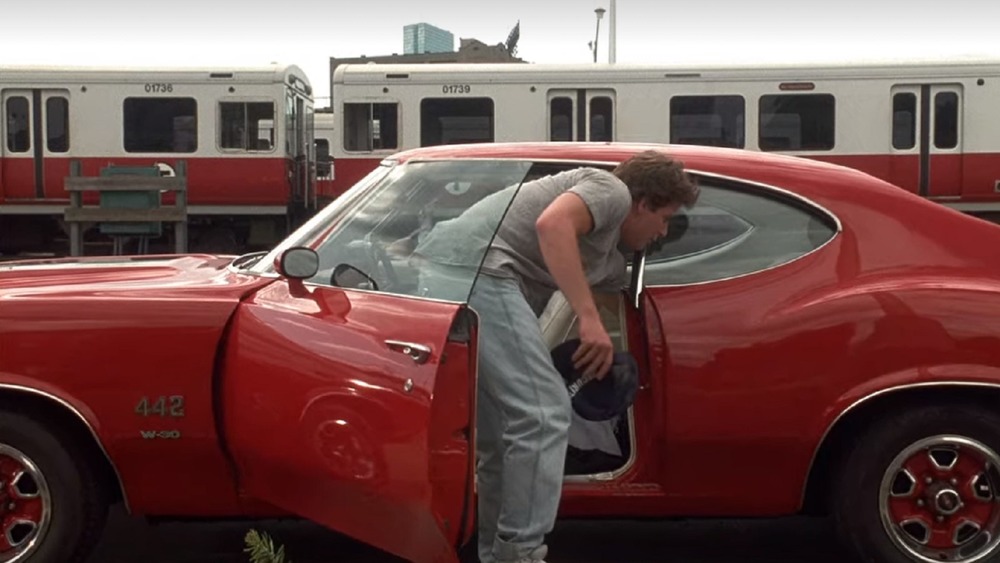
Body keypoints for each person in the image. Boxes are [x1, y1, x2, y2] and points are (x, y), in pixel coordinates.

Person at [416, 150, 699, 563]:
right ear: (642, 203)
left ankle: (497, 554)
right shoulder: (612, 190)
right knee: (544, 414)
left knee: (500, 437)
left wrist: (601, 349)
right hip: (478, 269)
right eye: (664, 217)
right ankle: (522, 554)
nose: (662, 231)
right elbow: (552, 224)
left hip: (453, 271)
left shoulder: (608, 258)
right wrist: (589, 319)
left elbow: (581, 302)